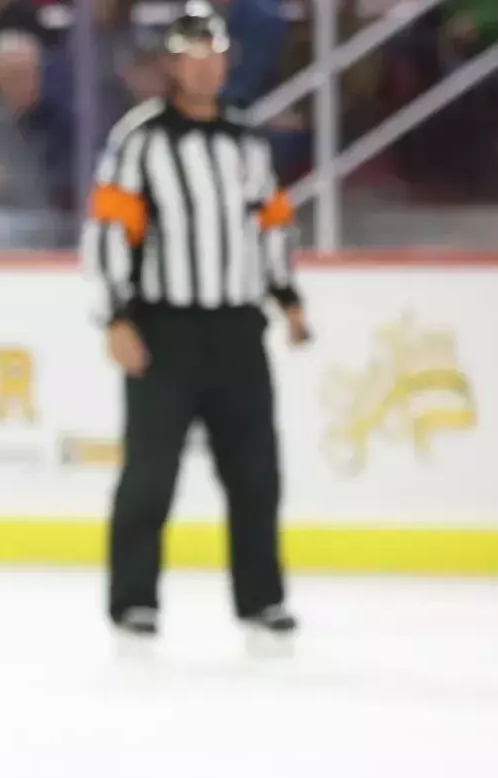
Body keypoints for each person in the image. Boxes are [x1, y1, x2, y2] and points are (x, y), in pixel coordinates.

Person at [80, 1, 310, 652]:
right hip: (165, 330)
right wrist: (116, 318)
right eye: (192, 57)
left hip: (239, 330)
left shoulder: (245, 141)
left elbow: (272, 227)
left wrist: (287, 298)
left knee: (256, 473)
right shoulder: (141, 138)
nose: (205, 69)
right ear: (172, 64)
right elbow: (106, 234)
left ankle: (263, 601)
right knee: (150, 474)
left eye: (215, 56)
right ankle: (133, 602)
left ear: (227, 62)